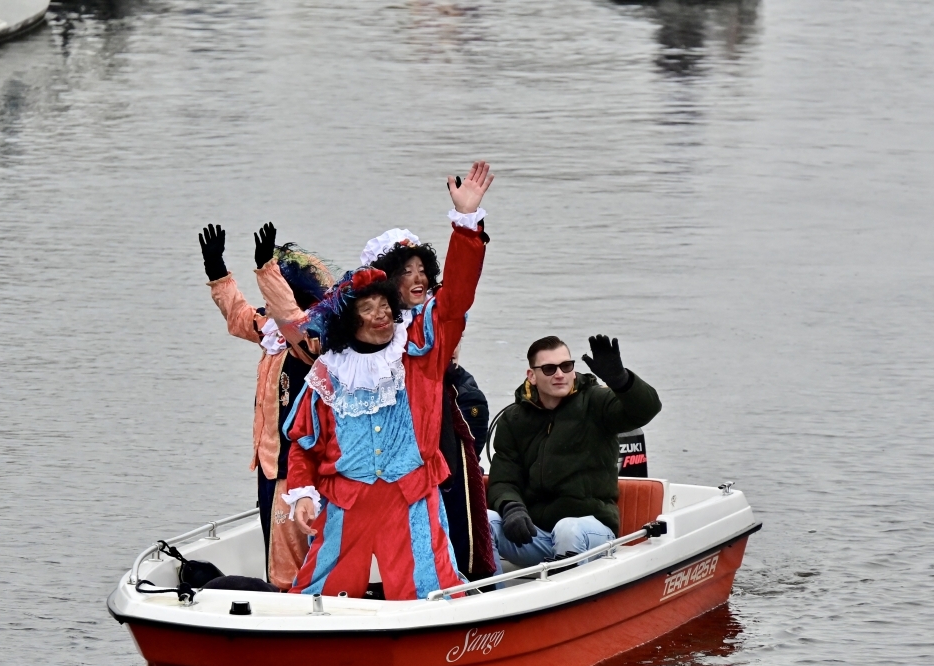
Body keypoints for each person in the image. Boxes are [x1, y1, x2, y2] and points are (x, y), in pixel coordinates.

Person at [283, 161, 494, 601]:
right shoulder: (329, 372)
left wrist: (466, 224)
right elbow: (305, 443)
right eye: (369, 309)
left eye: (385, 306)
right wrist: (303, 495)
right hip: (345, 504)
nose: (381, 315)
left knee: (431, 595)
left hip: (412, 498)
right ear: (351, 320)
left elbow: (456, 296)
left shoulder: (418, 348)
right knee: (318, 598)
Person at [198, 221, 333, 589]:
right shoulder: (271, 333)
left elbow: (291, 316)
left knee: (290, 558)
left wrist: (266, 269)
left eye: (273, 292)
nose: (268, 305)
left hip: (297, 464)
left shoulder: (311, 342)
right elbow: (240, 315)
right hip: (270, 464)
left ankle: (293, 603)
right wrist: (217, 272)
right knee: (277, 547)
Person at [373, 233, 496, 583]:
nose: (419, 278)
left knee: (440, 547)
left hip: (428, 456)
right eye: (406, 270)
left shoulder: (432, 324)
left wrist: (466, 228)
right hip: (376, 461)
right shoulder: (364, 332)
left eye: (422, 270)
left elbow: (457, 293)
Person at [487, 335, 662, 567]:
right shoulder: (513, 419)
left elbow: (647, 409)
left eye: (566, 366)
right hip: (537, 534)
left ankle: (565, 590)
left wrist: (621, 381)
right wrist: (512, 508)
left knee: (567, 529)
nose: (560, 374)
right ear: (532, 376)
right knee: (485, 522)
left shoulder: (596, 401)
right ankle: (491, 590)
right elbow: (503, 479)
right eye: (549, 369)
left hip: (591, 531)